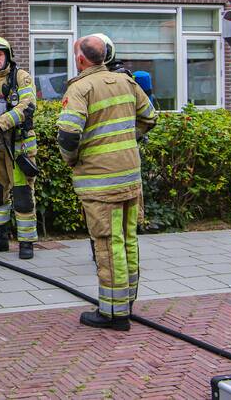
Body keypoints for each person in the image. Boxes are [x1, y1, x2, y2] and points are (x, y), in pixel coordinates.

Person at [57, 35, 156, 331]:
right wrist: (127, 141)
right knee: (128, 240)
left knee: (107, 243)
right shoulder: (127, 82)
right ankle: (127, 303)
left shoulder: (80, 87)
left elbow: (68, 134)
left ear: (81, 59)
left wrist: (73, 159)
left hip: (100, 183)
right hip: (130, 178)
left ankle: (113, 313)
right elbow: (149, 117)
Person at [0, 35, 39, 260]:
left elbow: (28, 105)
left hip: (19, 146)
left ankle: (26, 242)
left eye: (0, 54)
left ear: (8, 55)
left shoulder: (22, 77)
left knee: (22, 194)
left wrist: (1, 122)